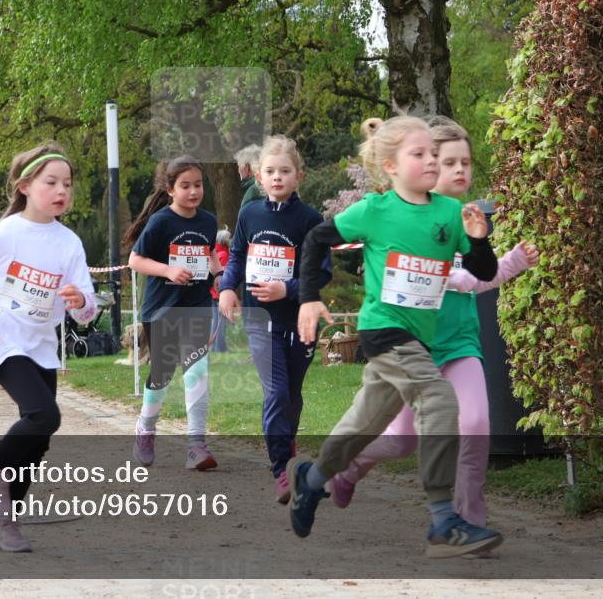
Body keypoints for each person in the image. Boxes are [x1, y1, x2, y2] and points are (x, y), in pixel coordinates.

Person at [288, 115, 504, 559]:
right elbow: (314, 240)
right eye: (420, 154)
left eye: (434, 153)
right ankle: (443, 521)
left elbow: (484, 272)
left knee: (363, 426)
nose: (432, 161)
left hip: (418, 340)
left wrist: (479, 240)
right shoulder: (374, 211)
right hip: (383, 330)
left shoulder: (450, 214)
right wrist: (308, 298)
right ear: (391, 166)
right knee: (439, 400)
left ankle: (311, 479)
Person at [327, 117, 539, 530]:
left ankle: (467, 520)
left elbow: (479, 277)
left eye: (466, 162)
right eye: (448, 162)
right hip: (411, 349)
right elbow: (433, 277)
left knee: (475, 425)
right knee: (400, 441)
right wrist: (460, 276)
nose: (460, 170)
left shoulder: (466, 219)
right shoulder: (406, 221)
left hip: (460, 345)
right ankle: (347, 471)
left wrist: (511, 262)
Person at [0, 142, 97, 552]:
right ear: (25, 186)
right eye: (51, 182)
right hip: (0, 340)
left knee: (38, 438)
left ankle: (4, 520)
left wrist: (80, 301)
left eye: (67, 184)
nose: (62, 190)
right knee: (44, 415)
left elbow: (87, 307)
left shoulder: (69, 243)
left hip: (41, 345)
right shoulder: (2, 234)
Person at [218, 135, 331, 503]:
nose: (277, 177)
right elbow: (237, 254)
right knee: (277, 392)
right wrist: (228, 287)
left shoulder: (310, 220)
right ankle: (281, 468)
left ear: (299, 176)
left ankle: (288, 444)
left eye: (285, 171)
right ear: (258, 177)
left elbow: (322, 272)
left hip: (300, 321)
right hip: (259, 319)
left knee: (292, 396)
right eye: (270, 171)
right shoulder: (249, 214)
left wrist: (288, 288)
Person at [122, 156, 223, 470]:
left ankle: (196, 445)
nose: (193, 192)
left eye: (198, 185)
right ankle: (146, 427)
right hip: (162, 309)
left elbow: (209, 253)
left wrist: (220, 276)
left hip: (197, 307)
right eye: (185, 186)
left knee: (196, 370)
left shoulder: (208, 221)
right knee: (162, 376)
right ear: (170, 190)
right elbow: (135, 260)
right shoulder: (161, 222)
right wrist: (168, 270)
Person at [209, 227, 231, 352]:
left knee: (216, 321)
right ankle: (220, 347)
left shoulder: (215, 253)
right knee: (221, 322)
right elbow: (223, 276)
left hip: (213, 294)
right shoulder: (224, 254)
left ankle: (214, 346)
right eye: (228, 238)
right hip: (219, 294)